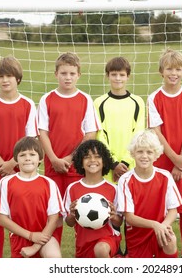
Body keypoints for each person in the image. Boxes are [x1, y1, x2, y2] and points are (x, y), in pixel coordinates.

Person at [0, 56, 39, 258]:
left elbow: (31, 137)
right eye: (0, 76)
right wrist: (2, 164)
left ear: (18, 79)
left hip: (23, 166)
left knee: (21, 216)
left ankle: (23, 254)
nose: (5, 80)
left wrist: (13, 162)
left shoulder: (28, 104)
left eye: (9, 76)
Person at [38, 52, 101, 243]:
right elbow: (42, 132)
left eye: (72, 73)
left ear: (78, 75)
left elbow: (90, 133)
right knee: (54, 214)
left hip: (76, 166)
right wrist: (55, 159)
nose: (68, 77)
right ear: (56, 73)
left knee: (81, 211)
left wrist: (69, 158)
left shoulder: (85, 99)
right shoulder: (46, 99)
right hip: (53, 167)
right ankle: (52, 252)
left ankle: (83, 253)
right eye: (64, 73)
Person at [147, 49, 182, 258]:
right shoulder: (154, 98)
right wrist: (173, 160)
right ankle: (157, 250)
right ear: (162, 71)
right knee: (159, 209)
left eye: (178, 69)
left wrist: (181, 163)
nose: (174, 73)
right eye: (169, 69)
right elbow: (157, 132)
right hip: (161, 162)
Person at [0, 137, 64, 258]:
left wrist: (36, 245)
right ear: (16, 159)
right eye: (22, 155)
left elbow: (54, 219)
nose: (27, 158)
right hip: (20, 240)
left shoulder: (49, 183)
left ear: (40, 158)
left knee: (54, 256)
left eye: (32, 154)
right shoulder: (6, 183)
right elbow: (2, 219)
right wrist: (30, 235)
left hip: (45, 238)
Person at [117, 129, 182, 258]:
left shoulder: (165, 176)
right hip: (137, 237)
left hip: (160, 231)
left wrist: (163, 226)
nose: (144, 156)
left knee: (170, 239)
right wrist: (154, 225)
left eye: (149, 152)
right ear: (133, 153)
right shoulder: (125, 180)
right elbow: (129, 218)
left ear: (156, 154)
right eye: (140, 151)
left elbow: (173, 210)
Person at [63, 139, 122, 258]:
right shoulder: (72, 188)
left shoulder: (113, 189)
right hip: (83, 244)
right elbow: (69, 223)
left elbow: (119, 221)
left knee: (100, 250)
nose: (92, 160)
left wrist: (114, 215)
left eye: (97, 156)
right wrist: (72, 214)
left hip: (107, 240)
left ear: (104, 161)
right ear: (80, 162)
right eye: (87, 157)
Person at [94, 56, 146, 184]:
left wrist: (125, 162)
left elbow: (138, 134)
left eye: (122, 75)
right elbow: (99, 135)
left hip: (131, 164)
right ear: (108, 76)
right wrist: (113, 163)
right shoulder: (99, 103)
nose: (118, 78)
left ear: (128, 76)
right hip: (107, 165)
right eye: (114, 74)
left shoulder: (138, 102)